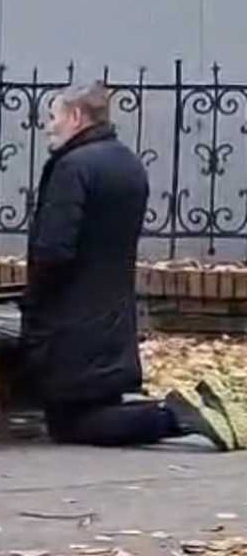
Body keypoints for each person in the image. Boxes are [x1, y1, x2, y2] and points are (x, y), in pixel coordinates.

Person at [25, 82, 245, 450]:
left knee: (71, 425)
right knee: (100, 409)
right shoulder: (128, 163)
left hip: (70, 324)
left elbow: (52, 249)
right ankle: (201, 407)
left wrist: (34, 303)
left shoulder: (71, 167)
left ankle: (175, 415)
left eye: (54, 116)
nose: (49, 126)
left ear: (76, 116)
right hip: (114, 320)